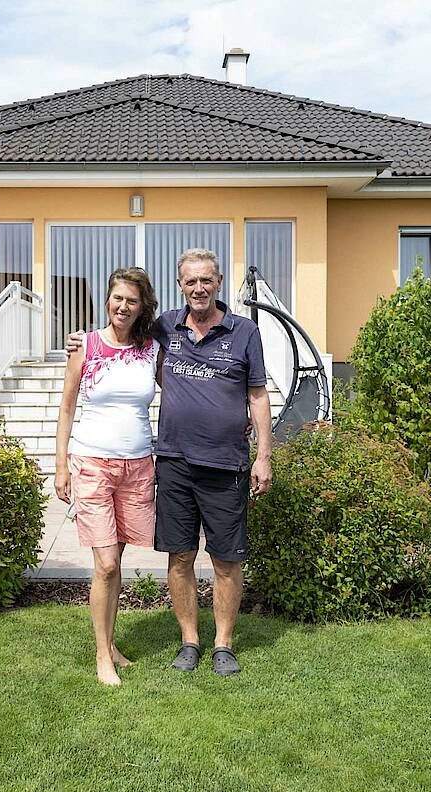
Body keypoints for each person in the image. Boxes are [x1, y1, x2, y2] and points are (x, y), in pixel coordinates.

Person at [67, 248, 272, 676]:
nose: (199, 288)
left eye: (207, 280)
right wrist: (82, 341)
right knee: (179, 556)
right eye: (190, 281)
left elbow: (257, 394)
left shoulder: (245, 331)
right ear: (180, 286)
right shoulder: (165, 329)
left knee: (225, 559)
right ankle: (189, 641)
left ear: (218, 283)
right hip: (174, 461)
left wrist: (264, 454)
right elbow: (122, 338)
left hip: (225, 463)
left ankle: (223, 644)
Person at [54, 267, 160, 687]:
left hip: (137, 466)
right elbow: (66, 408)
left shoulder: (153, 349)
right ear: (108, 299)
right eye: (117, 297)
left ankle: (111, 642)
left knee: (117, 565)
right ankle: (103, 655)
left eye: (131, 300)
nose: (123, 306)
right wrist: (60, 465)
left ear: (141, 306)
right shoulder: (86, 346)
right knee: (106, 564)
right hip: (92, 463)